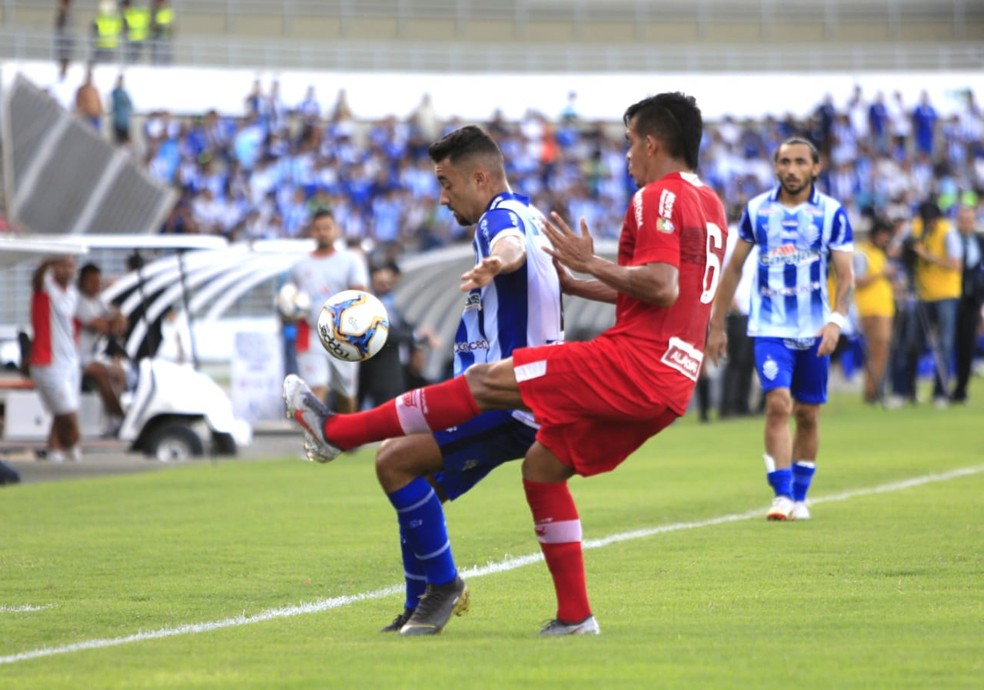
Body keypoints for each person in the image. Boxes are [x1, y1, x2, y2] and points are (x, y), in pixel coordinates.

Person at [285, 92, 727, 636]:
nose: (627, 154)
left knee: (478, 388)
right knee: (540, 469)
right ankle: (572, 617)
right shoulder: (710, 203)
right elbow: (670, 296)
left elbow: (655, 285)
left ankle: (338, 432)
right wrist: (580, 280)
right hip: (672, 379)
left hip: (635, 363)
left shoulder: (651, 198)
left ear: (653, 142)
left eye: (632, 141)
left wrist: (546, 261)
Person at [707, 137, 854, 522]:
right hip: (769, 327)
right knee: (777, 404)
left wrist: (836, 322)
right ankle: (782, 494)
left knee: (808, 414)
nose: (792, 169)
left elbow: (846, 275)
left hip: (815, 329)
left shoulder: (832, 213)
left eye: (800, 162)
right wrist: (717, 325)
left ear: (815, 168)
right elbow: (733, 268)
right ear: (775, 166)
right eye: (785, 162)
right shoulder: (757, 210)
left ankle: (801, 495)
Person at [289, 209, 369, 413]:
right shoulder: (300, 266)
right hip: (310, 333)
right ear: (311, 232)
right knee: (317, 386)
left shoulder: (350, 260)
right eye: (318, 229)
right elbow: (290, 300)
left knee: (346, 393)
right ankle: (319, 440)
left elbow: (361, 293)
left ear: (336, 230)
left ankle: (349, 434)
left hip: (343, 333)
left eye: (327, 228)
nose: (322, 233)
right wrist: (290, 311)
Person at [357, 261, 439, 410]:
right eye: (382, 281)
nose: (387, 285)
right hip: (381, 366)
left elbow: (402, 325)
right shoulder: (367, 305)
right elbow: (385, 333)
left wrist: (419, 338)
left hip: (397, 366)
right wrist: (416, 335)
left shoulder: (390, 303)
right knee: (382, 407)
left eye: (390, 281)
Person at [29, 256, 83, 463]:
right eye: (63, 265)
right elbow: (36, 278)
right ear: (53, 267)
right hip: (48, 362)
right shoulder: (45, 286)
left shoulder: (72, 293)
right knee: (67, 413)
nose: (67, 270)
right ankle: (74, 447)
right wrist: (47, 261)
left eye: (70, 266)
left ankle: (55, 452)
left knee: (61, 413)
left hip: (70, 361)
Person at [908, 201, 962, 407]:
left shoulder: (948, 232)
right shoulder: (916, 228)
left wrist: (928, 257)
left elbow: (956, 263)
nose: (928, 224)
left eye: (931, 220)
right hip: (923, 294)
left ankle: (941, 393)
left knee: (945, 345)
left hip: (946, 294)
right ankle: (909, 391)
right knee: (913, 342)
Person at [76, 262, 129, 437]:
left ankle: (110, 417)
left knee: (119, 373)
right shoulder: (77, 300)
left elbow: (118, 321)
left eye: (98, 282)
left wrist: (116, 319)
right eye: (91, 281)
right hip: (75, 356)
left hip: (89, 355)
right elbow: (102, 326)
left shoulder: (97, 301)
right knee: (102, 372)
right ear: (82, 281)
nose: (96, 286)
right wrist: (112, 323)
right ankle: (118, 416)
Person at [853, 218, 898, 404]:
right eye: (884, 236)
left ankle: (875, 389)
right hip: (871, 309)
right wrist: (882, 274)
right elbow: (858, 281)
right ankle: (873, 391)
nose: (886, 240)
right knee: (877, 350)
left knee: (880, 351)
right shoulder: (862, 253)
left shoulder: (879, 253)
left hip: (883, 308)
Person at [951, 205, 984, 403]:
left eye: (970, 220)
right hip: (951, 297)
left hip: (972, 300)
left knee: (967, 345)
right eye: (963, 220)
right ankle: (942, 388)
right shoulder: (951, 240)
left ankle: (961, 390)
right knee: (947, 344)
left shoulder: (979, 242)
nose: (966, 224)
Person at [74, 67, 103, 132]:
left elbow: (99, 102)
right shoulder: (81, 90)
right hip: (86, 116)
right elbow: (78, 103)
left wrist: (100, 111)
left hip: (95, 116)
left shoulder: (94, 90)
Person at [109, 73, 134, 145]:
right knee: (117, 141)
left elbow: (130, 106)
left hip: (125, 122)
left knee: (126, 142)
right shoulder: (115, 92)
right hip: (117, 121)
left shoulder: (125, 93)